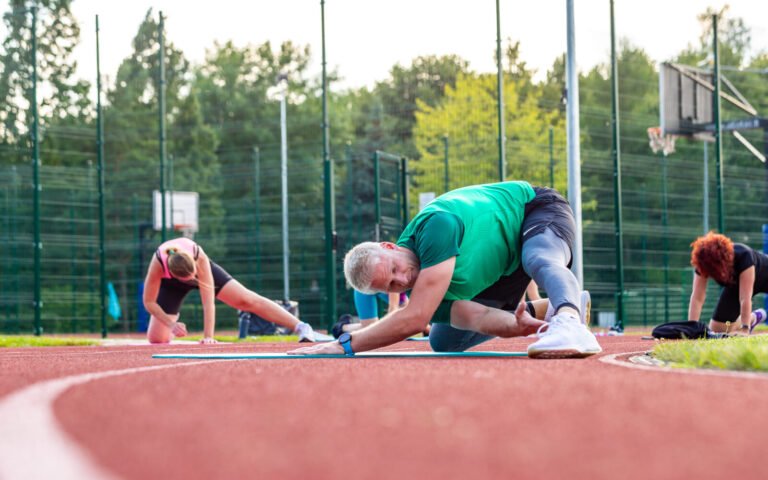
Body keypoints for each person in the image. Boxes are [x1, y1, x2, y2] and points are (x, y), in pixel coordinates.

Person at [290, 181, 601, 358]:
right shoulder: (421, 286)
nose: (404, 279)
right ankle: (553, 310)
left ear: (389, 246)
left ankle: (569, 318)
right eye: (393, 286)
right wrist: (524, 327)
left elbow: (415, 318)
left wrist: (343, 345)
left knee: (538, 257)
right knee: (445, 341)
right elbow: (477, 317)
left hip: (533, 210)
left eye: (395, 269)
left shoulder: (435, 226)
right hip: (503, 268)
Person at [143, 237, 322, 344]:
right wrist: (170, 323)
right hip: (171, 286)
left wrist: (208, 337)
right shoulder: (158, 263)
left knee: (246, 300)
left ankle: (302, 327)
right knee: (157, 339)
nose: (193, 282)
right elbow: (149, 302)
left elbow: (208, 302)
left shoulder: (198, 256)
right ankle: (169, 329)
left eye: (194, 276)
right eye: (188, 280)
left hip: (202, 270)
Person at [688, 232, 767, 335]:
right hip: (737, 283)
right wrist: (690, 328)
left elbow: (745, 298)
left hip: (764, 275)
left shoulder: (744, 255)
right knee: (717, 329)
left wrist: (745, 329)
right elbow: (697, 298)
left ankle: (747, 323)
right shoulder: (703, 263)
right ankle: (754, 317)